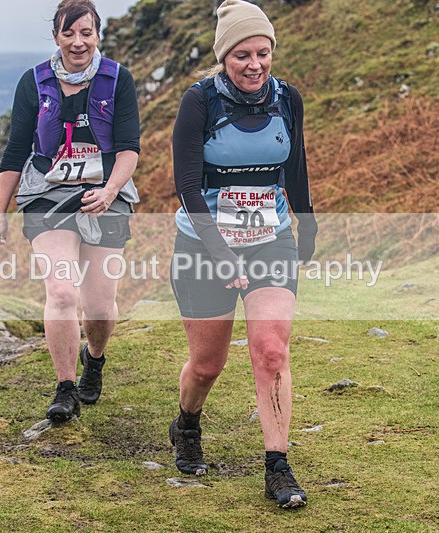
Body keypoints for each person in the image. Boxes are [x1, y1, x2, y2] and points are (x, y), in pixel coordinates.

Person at [169, 0, 317, 509]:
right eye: (242, 55)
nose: (255, 64)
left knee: (271, 350)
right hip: (203, 242)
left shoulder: (287, 99)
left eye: (264, 52)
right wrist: (219, 252)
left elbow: (293, 170)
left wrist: (309, 229)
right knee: (207, 365)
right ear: (223, 57)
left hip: (270, 238)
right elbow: (187, 186)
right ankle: (187, 421)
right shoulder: (199, 102)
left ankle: (278, 466)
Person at [0, 0, 140, 422]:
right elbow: (17, 149)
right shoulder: (32, 83)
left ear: (97, 35)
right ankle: (65, 388)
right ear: (56, 36)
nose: (78, 42)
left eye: (86, 33)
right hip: (47, 194)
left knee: (99, 307)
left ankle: (95, 356)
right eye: (68, 33)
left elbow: (129, 149)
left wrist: (109, 192)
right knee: (61, 291)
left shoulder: (117, 80)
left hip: (105, 195)